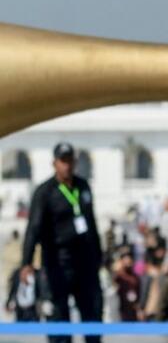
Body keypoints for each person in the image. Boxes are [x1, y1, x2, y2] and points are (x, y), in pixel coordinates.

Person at [21, 142, 103, 343]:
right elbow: (34, 228)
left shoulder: (83, 187)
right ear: (55, 163)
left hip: (85, 263)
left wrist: (99, 256)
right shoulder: (45, 192)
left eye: (70, 161)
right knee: (58, 317)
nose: (67, 166)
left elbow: (91, 223)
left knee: (92, 314)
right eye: (63, 161)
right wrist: (26, 262)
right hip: (58, 263)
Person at [111, 250, 141, 322]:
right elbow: (112, 286)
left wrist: (139, 309)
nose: (128, 261)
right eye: (125, 259)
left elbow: (138, 292)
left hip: (132, 309)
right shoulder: (118, 276)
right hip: (120, 309)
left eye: (129, 259)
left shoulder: (135, 277)